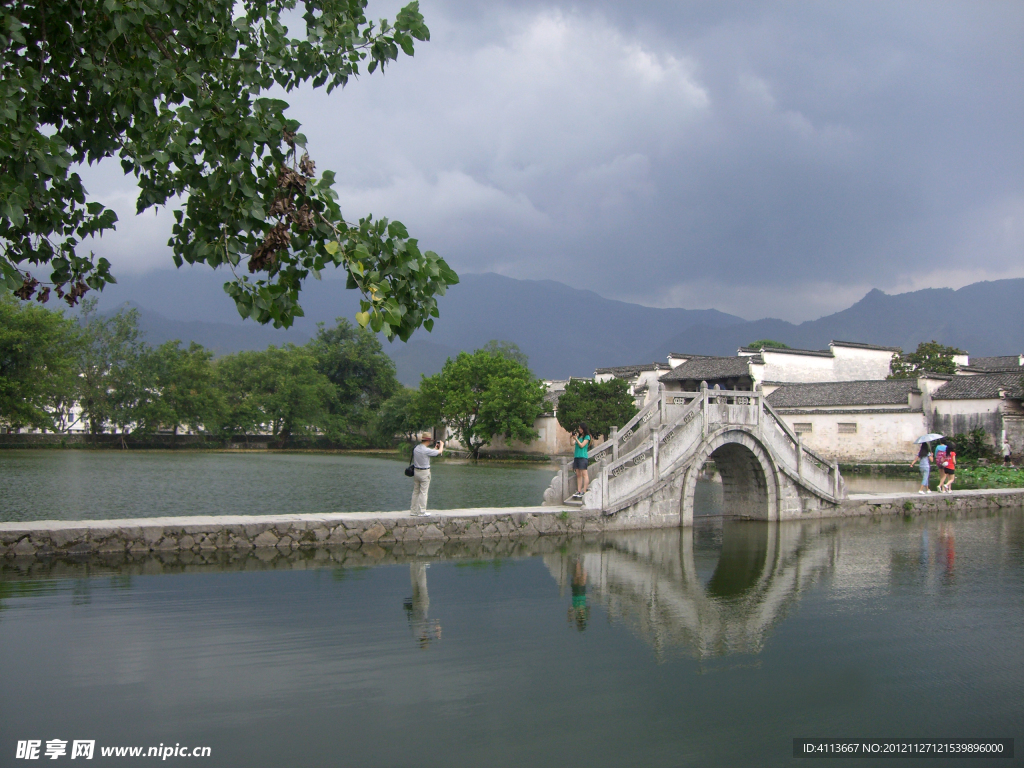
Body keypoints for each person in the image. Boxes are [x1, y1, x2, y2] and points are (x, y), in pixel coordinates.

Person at [410, 431, 444, 516]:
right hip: (424, 473)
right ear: (428, 441)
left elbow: (428, 453)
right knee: (423, 492)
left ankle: (413, 511)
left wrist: (435, 449)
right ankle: (422, 511)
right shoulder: (426, 450)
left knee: (416, 492)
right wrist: (442, 445)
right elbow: (439, 452)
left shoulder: (416, 448)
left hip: (416, 472)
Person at [570, 423, 592, 500]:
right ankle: (579, 490)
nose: (579, 430)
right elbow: (572, 444)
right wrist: (571, 438)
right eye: (578, 428)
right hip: (577, 457)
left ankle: (584, 490)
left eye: (580, 428)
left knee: (584, 474)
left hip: (583, 457)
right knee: (578, 475)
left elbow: (582, 445)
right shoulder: (579, 437)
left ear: (583, 429)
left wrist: (576, 439)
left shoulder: (587, 437)